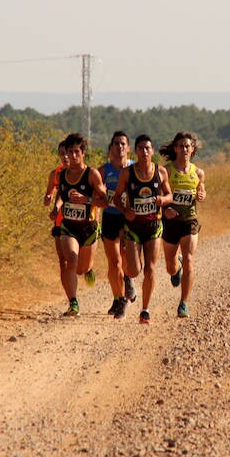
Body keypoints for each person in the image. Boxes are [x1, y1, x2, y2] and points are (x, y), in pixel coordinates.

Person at [112, 134, 172, 324]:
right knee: (135, 270)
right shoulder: (127, 173)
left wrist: (163, 200)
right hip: (133, 228)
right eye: (141, 148)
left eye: (148, 148)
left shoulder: (160, 172)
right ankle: (129, 283)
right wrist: (125, 210)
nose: (145, 152)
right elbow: (116, 197)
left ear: (152, 151)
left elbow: (170, 195)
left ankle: (145, 310)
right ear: (136, 151)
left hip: (154, 226)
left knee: (150, 269)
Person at [55, 133, 106, 317]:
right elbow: (62, 194)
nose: (73, 156)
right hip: (69, 226)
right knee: (70, 261)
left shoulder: (91, 174)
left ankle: (89, 270)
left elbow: (105, 201)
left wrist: (87, 200)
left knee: (82, 268)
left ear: (83, 153)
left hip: (89, 228)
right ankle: (73, 303)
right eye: (70, 152)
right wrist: (56, 207)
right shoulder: (62, 174)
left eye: (77, 152)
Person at [159, 132, 206, 318]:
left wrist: (202, 195)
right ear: (175, 148)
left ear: (192, 149)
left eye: (188, 146)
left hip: (189, 220)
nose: (185, 149)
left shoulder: (198, 172)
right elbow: (158, 196)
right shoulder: (166, 171)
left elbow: (201, 190)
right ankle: (175, 265)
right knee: (170, 267)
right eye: (181, 146)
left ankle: (183, 303)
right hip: (170, 221)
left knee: (189, 259)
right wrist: (165, 209)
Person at [96, 131, 137, 319]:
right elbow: (93, 190)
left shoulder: (134, 169)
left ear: (128, 148)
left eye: (123, 144)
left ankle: (127, 279)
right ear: (111, 148)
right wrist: (99, 198)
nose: (119, 147)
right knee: (114, 262)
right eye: (116, 144)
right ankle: (119, 299)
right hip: (110, 217)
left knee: (125, 260)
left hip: (128, 218)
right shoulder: (103, 170)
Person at [44, 141, 70, 281]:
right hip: (60, 221)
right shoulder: (56, 174)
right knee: (62, 260)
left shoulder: (83, 173)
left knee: (77, 262)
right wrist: (48, 198)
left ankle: (86, 268)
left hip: (79, 222)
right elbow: (49, 193)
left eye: (67, 152)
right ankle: (71, 297)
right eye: (62, 154)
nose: (65, 156)